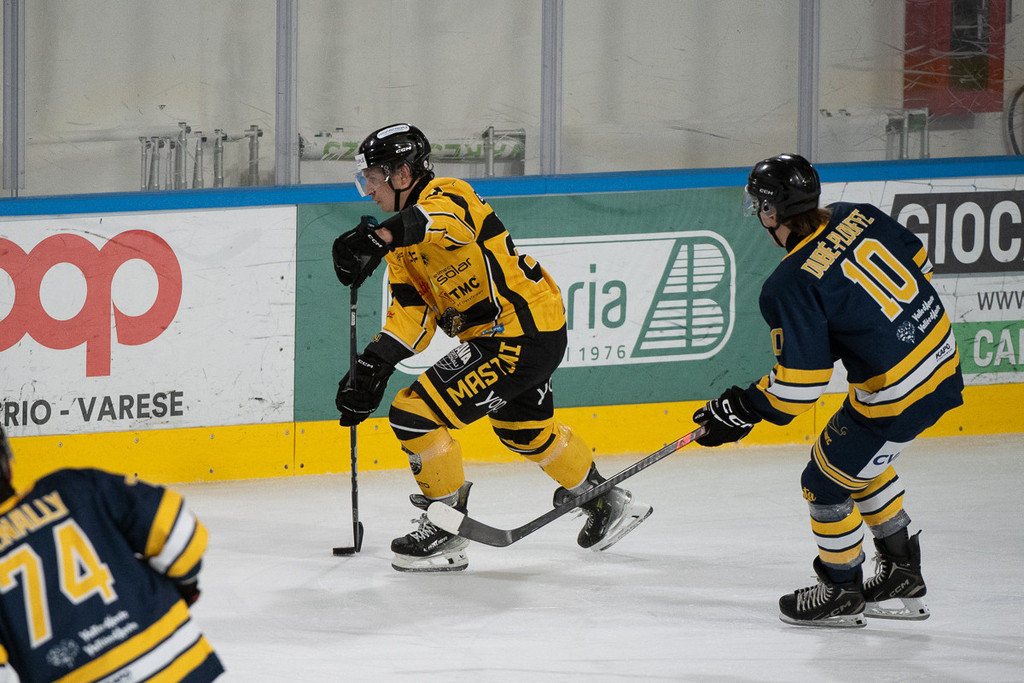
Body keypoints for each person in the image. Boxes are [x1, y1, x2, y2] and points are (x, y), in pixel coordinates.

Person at [331, 123, 652, 572]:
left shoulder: (450, 194)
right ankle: (603, 500)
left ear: (402, 174)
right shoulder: (402, 250)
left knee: (413, 413)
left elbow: (439, 223)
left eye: (372, 179)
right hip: (529, 332)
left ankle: (446, 527)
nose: (368, 191)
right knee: (525, 430)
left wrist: (381, 236)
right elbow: (412, 314)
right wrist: (373, 366)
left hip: (517, 334)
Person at [692, 154, 963, 628]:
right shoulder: (859, 213)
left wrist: (743, 407)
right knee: (851, 464)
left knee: (822, 482)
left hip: (896, 395)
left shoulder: (788, 283)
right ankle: (901, 574)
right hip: (942, 362)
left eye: (759, 205)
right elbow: (921, 266)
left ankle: (841, 590)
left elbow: (800, 387)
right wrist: (857, 330)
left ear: (771, 212)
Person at [0, 426, 224, 682]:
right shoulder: (74, 487)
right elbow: (179, 532)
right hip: (179, 666)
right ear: (8, 465)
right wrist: (185, 585)